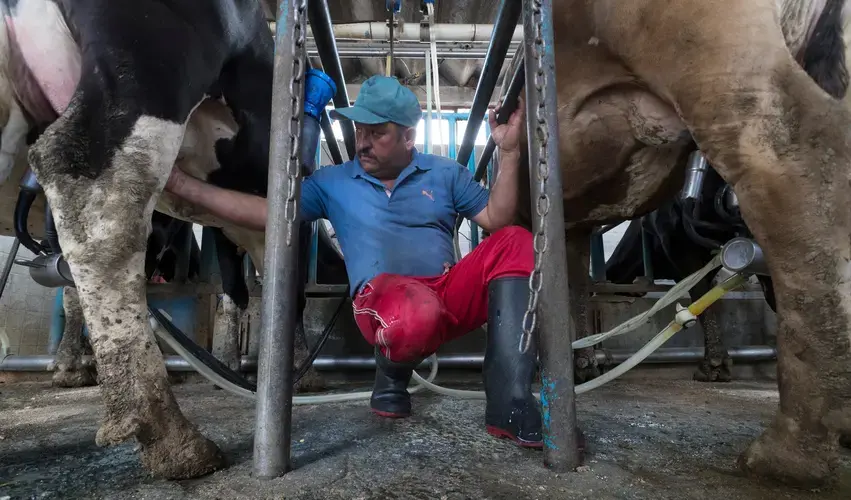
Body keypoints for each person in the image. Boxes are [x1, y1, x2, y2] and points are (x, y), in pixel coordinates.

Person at [163, 74, 578, 450]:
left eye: (377, 133)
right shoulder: (333, 182)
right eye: (359, 130)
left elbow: (496, 218)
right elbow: (267, 212)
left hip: (444, 291)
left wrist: (508, 153)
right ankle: (391, 374)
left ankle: (510, 400)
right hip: (383, 302)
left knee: (517, 241)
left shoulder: (444, 173)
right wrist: (185, 186)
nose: (362, 142)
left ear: (409, 137)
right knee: (415, 312)